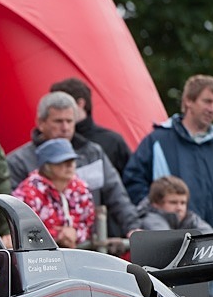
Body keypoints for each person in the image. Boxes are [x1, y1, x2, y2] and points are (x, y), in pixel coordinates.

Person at [7, 91, 140, 239]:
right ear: (41, 123)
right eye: (58, 121)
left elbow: (116, 194)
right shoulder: (18, 161)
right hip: (40, 249)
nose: (65, 127)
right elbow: (14, 212)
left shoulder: (93, 153)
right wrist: (55, 235)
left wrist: (132, 226)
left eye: (69, 121)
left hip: (91, 245)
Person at [123, 74, 213, 227]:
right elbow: (133, 182)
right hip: (171, 240)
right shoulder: (158, 141)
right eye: (207, 102)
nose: (212, 109)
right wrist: (155, 216)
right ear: (188, 101)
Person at [12, 138, 95, 248]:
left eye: (72, 160)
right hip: (40, 258)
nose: (70, 165)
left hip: (77, 254)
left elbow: (89, 224)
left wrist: (75, 233)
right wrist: (58, 236)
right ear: (47, 166)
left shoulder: (81, 188)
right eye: (63, 161)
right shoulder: (29, 191)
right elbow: (23, 229)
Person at [50, 78, 132, 176]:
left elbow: (130, 181)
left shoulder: (112, 141)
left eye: (61, 105)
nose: (56, 110)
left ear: (80, 104)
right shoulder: (48, 141)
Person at [137, 175, 212, 232]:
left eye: (183, 203)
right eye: (173, 202)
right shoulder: (150, 219)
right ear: (156, 204)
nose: (179, 208)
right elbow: (166, 241)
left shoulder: (190, 219)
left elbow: (209, 236)